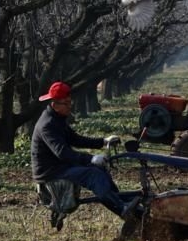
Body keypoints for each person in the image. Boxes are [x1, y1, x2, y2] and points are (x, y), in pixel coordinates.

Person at [31, 81, 138, 222]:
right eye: (67, 103)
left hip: (60, 166)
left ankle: (121, 201)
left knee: (100, 170)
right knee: (94, 175)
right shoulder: (47, 125)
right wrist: (90, 159)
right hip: (51, 172)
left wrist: (103, 141)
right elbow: (62, 153)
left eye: (70, 102)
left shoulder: (57, 119)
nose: (70, 106)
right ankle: (123, 210)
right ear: (55, 105)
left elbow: (75, 139)